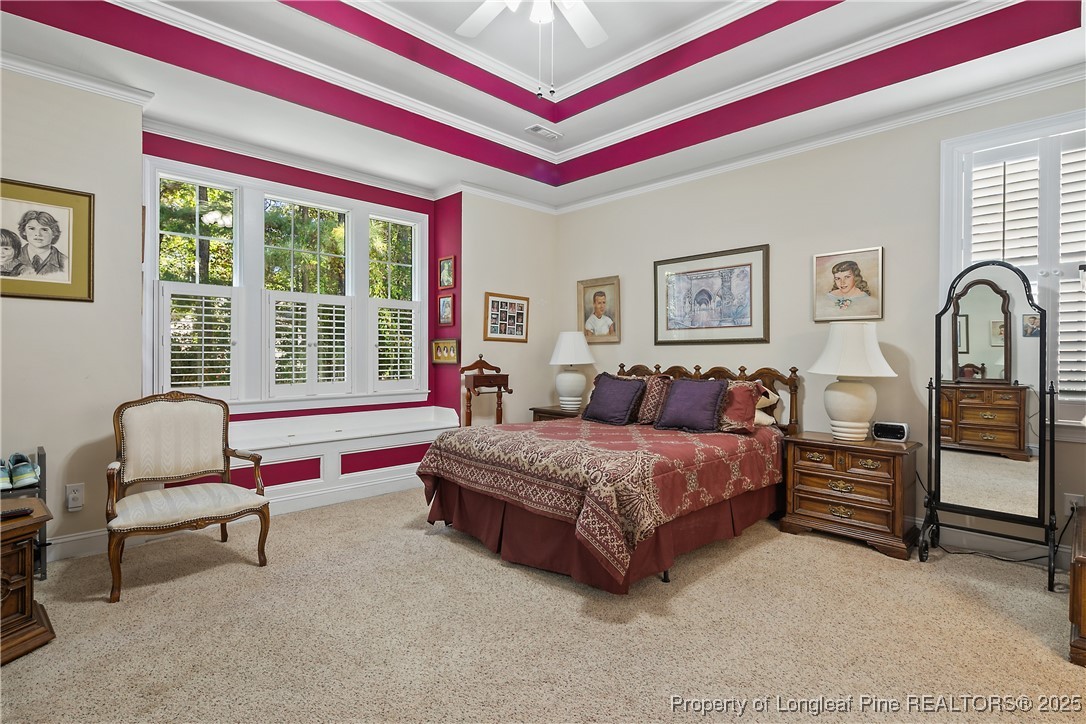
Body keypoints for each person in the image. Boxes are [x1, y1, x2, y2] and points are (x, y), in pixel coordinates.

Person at [16, 209, 66, 277]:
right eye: (32, 228)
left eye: (44, 230)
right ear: (24, 231)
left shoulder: (65, 262)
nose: (38, 234)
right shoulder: (11, 257)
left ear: (54, 233)